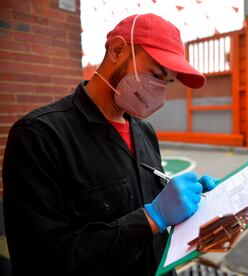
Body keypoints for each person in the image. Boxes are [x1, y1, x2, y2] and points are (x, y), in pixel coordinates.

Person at [2, 13, 218, 276]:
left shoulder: (145, 132)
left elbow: (154, 217)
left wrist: (198, 215)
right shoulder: (40, 136)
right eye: (156, 74)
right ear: (117, 50)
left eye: (168, 82)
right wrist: (150, 219)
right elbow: (41, 261)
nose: (160, 90)